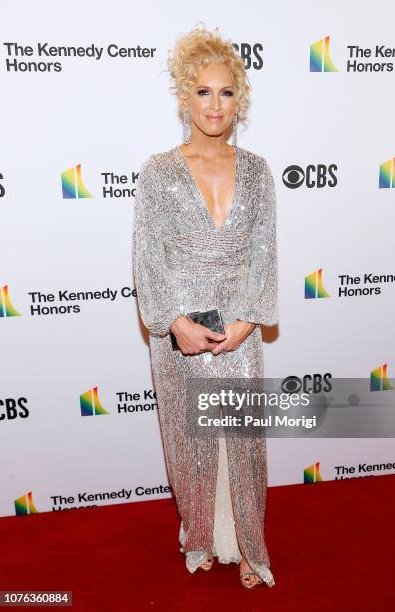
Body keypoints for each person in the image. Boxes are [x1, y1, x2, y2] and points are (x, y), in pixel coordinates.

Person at [132, 23, 278, 589]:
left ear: (239, 98)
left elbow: (264, 254)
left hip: (238, 327)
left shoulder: (261, 172)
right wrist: (173, 324)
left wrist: (248, 320)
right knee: (192, 444)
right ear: (184, 95)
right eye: (203, 91)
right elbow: (148, 262)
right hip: (183, 335)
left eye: (226, 92)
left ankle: (248, 545)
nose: (214, 105)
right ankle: (202, 535)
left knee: (241, 443)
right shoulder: (159, 173)